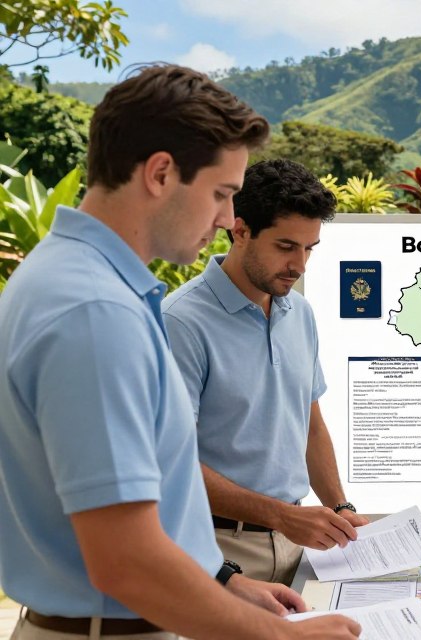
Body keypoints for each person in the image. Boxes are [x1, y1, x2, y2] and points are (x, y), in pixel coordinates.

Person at [0, 64, 360, 639]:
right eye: (221, 194)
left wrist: (225, 582)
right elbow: (125, 559)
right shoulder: (96, 311)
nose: (224, 220)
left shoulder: (74, 281)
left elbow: (150, 502)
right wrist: (283, 636)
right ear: (161, 173)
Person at [162, 158, 368, 585]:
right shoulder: (180, 322)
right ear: (240, 231)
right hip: (218, 551)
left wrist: (340, 509)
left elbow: (309, 425)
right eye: (286, 246)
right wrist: (283, 516)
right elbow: (171, 463)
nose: (300, 264)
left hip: (300, 546)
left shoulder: (300, 313)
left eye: (309, 248)